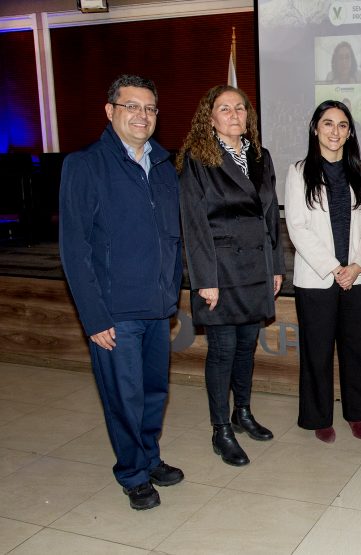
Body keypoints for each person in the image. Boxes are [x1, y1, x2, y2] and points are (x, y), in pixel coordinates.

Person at [59, 75, 183, 511]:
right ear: (110, 111)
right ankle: (131, 472)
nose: (142, 115)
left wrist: (171, 296)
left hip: (156, 306)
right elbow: (74, 248)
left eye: (149, 108)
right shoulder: (85, 165)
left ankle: (149, 459)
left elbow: (172, 238)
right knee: (123, 396)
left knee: (153, 393)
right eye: (131, 106)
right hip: (114, 312)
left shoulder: (165, 167)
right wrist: (94, 318)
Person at [177, 85, 285, 467]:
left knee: (246, 348)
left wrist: (276, 266)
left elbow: (269, 216)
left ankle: (243, 412)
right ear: (210, 117)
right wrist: (204, 278)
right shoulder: (197, 158)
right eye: (225, 108)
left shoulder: (261, 155)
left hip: (256, 268)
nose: (234, 114)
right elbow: (193, 224)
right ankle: (220, 429)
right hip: (220, 272)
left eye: (240, 108)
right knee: (222, 352)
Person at [284, 100, 361, 443]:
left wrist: (357, 266)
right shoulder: (298, 171)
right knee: (317, 349)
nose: (335, 131)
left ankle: (357, 412)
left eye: (342, 125)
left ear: (350, 132)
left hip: (358, 276)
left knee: (357, 347)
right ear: (315, 128)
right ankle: (318, 415)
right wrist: (334, 267)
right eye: (328, 123)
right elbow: (297, 227)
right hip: (317, 277)